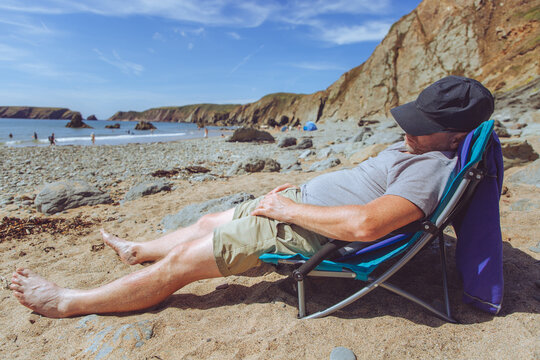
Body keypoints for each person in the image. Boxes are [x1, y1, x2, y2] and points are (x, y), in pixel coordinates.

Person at [10, 76, 495, 318]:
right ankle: (137, 250)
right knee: (205, 222)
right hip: (297, 206)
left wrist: (286, 209)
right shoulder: (427, 144)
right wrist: (294, 195)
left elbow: (366, 228)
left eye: (422, 129)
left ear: (457, 135)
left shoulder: (431, 168)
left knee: (184, 263)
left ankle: (70, 301)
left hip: (304, 229)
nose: (407, 132)